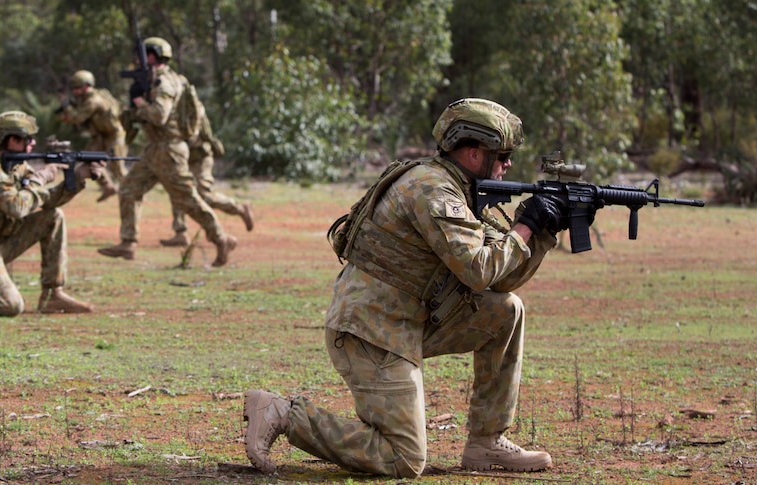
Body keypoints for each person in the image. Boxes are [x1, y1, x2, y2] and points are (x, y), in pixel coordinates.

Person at [242, 98, 577, 477]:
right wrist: (524, 227)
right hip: (370, 332)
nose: (508, 164)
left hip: (407, 321)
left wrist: (541, 233)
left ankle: (486, 442)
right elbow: (478, 270)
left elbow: (501, 279)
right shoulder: (432, 191)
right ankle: (284, 414)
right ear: (472, 153)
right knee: (403, 458)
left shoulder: (459, 190)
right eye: (502, 155)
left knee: (505, 311)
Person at [0, 110, 102, 316]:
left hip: (3, 241)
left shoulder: (18, 166)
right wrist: (41, 178)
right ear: (11, 140)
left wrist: (77, 179)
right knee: (11, 307)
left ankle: (53, 295)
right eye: (28, 139)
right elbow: (16, 207)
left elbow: (46, 201)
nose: (33, 144)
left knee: (53, 217)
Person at [97, 37, 237, 265]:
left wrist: (140, 104)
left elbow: (159, 116)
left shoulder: (166, 82)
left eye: (142, 54)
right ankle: (128, 243)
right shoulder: (154, 81)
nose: (136, 59)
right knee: (128, 190)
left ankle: (222, 239)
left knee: (188, 200)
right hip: (154, 149)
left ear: (153, 55)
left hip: (170, 151)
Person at [159, 107, 254, 248]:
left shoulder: (191, 108)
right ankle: (180, 233)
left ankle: (239, 208)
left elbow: (194, 136)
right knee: (177, 190)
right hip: (182, 159)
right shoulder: (167, 108)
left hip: (200, 158)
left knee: (205, 195)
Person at [56, 70, 128, 202]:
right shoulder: (87, 99)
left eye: (77, 88)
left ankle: (130, 191)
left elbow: (77, 117)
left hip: (114, 134)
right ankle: (108, 187)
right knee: (89, 158)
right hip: (100, 135)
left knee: (117, 166)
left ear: (86, 86)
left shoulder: (93, 100)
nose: (75, 91)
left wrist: (66, 106)